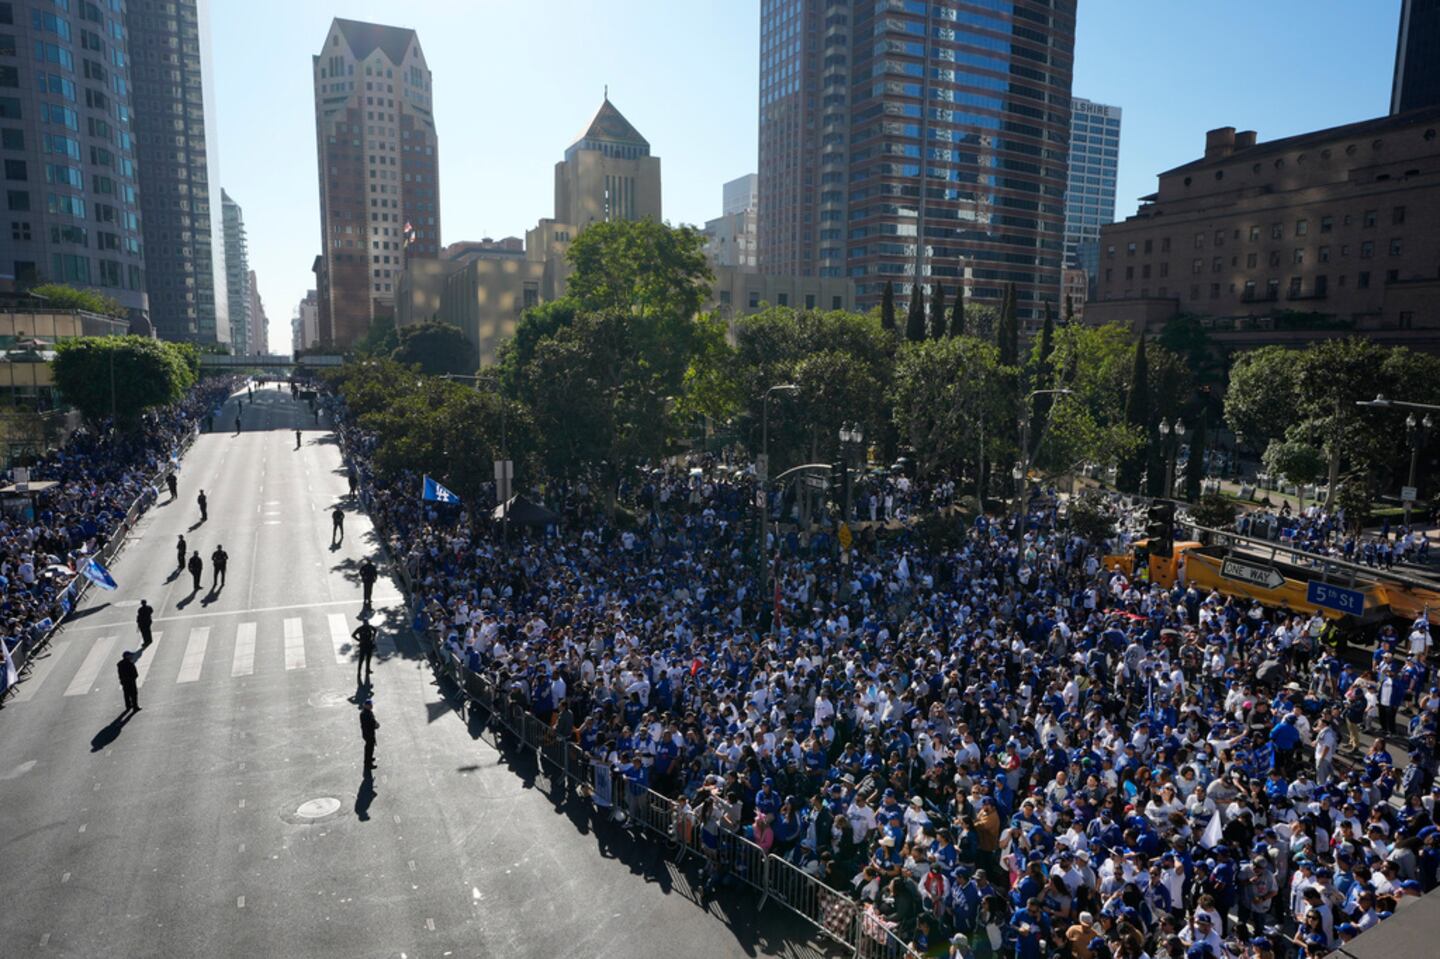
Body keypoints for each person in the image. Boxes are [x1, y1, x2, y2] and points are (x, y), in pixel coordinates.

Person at [352, 619, 377, 685]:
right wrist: (359, 640)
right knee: (361, 660)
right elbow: (353, 635)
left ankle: (367, 670)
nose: (367, 625)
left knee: (368, 659)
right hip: (363, 646)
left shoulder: (370, 627)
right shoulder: (360, 629)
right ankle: (359, 671)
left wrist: (373, 637)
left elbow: (375, 630)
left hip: (369, 645)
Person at [360, 699, 379, 770]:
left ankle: (369, 759)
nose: (372, 706)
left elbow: (372, 720)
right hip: (368, 734)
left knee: (370, 748)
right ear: (366, 706)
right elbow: (369, 724)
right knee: (369, 749)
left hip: (368, 734)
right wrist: (376, 726)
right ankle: (368, 764)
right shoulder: (365, 714)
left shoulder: (367, 712)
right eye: (370, 705)